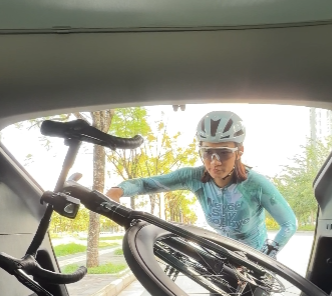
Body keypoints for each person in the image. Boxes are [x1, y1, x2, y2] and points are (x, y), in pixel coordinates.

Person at [105, 111, 298, 260]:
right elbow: (146, 184)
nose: (214, 162)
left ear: (239, 151)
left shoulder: (255, 184)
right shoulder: (193, 177)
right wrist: (118, 190)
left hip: (256, 260)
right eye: (207, 152)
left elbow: (289, 224)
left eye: (224, 152)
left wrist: (265, 257)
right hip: (224, 259)